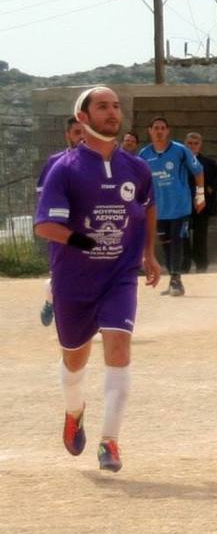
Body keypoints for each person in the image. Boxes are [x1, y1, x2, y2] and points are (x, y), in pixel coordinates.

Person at [35, 86, 161, 473]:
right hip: (73, 281)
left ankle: (110, 441)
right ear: (83, 117)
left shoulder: (136, 168)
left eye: (116, 106)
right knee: (75, 359)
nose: (112, 112)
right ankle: (74, 411)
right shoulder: (65, 168)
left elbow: (147, 207)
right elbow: (44, 225)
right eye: (103, 106)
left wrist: (148, 254)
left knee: (118, 349)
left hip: (119, 276)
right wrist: (81, 240)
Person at [138, 117, 204, 297]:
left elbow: (198, 171)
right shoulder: (144, 154)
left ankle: (176, 279)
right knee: (166, 244)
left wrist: (200, 196)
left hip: (180, 207)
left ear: (167, 131)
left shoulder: (180, 150)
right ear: (150, 131)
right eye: (156, 128)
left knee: (176, 241)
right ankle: (174, 280)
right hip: (158, 210)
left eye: (162, 128)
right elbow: (140, 180)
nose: (159, 131)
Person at [37, 118, 85, 326]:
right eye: (76, 132)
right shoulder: (55, 162)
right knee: (60, 278)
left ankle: (99, 319)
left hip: (92, 227)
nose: (82, 137)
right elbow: (43, 196)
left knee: (96, 273)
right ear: (68, 136)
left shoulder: (103, 162)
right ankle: (51, 300)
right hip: (63, 230)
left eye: (84, 132)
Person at [183, 132, 217, 273]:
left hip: (202, 205)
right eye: (190, 143)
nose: (192, 146)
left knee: (200, 236)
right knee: (183, 235)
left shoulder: (208, 162)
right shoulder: (180, 162)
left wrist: (211, 187)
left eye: (195, 143)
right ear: (185, 144)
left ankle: (201, 264)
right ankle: (184, 264)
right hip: (183, 204)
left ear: (200, 145)